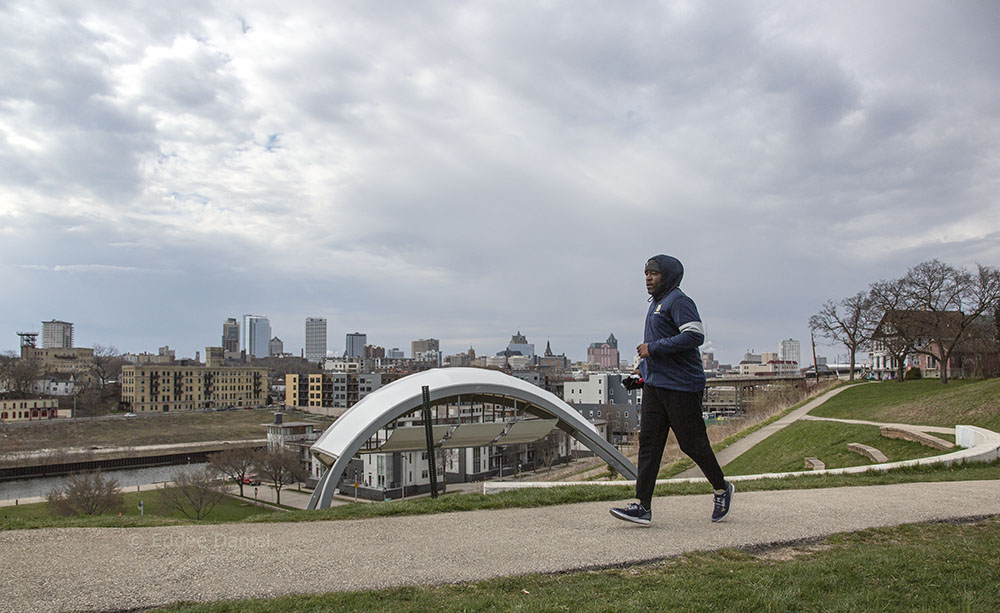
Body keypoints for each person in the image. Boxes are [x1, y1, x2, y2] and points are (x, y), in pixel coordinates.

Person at [610, 254, 733, 526]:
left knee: (692, 444)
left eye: (654, 273)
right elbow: (657, 348)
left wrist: (652, 348)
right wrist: (641, 372)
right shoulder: (656, 304)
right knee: (649, 445)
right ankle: (642, 506)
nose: (648, 279)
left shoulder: (679, 301)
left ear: (668, 276)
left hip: (682, 387)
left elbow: (694, 334)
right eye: (645, 274)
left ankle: (722, 488)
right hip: (656, 386)